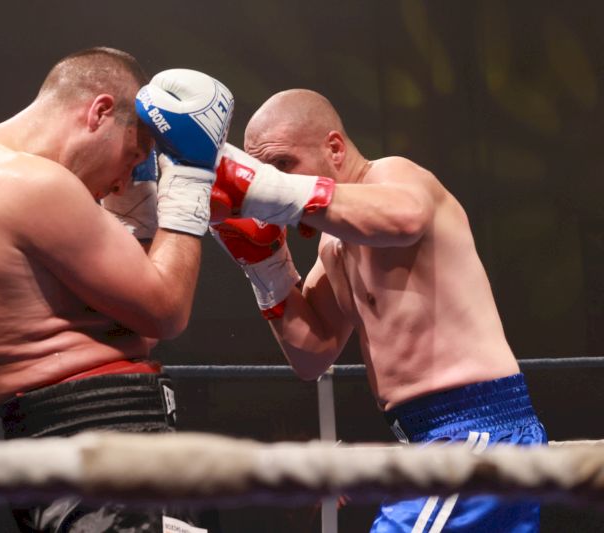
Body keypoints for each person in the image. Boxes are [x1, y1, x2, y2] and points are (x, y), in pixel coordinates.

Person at [209, 89, 547, 532]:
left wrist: (272, 189)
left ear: (334, 148)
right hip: (428, 436)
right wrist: (264, 266)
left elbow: (405, 218)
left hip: (475, 427)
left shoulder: (392, 175)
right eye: (264, 174)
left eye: (283, 165)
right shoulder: (333, 245)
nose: (272, 185)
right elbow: (312, 354)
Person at [0, 46, 232, 532]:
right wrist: (191, 180)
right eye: (133, 155)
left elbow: (139, 329)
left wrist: (139, 209)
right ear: (100, 112)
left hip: (87, 454)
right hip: (101, 459)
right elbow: (167, 311)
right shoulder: (28, 183)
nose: (123, 182)